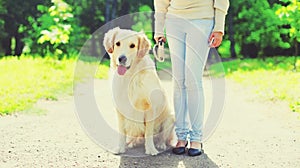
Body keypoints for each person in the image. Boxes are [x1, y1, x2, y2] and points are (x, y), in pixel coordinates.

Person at [154, 0, 229, 156]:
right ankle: (181, 137)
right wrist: (159, 29)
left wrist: (219, 27)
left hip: (202, 20)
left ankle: (196, 138)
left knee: (192, 80)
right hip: (174, 21)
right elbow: (161, 2)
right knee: (178, 80)